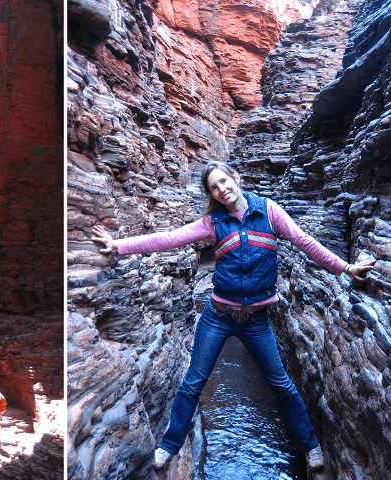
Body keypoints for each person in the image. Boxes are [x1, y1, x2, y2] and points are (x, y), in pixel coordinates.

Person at [91, 161, 375, 471]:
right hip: (218, 316)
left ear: (235, 178)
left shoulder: (268, 211)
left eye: (224, 181)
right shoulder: (214, 222)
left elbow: (304, 242)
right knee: (192, 384)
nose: (221, 189)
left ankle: (310, 446)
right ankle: (170, 446)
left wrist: (345, 268)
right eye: (214, 187)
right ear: (211, 193)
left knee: (281, 385)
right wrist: (117, 246)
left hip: (257, 321)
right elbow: (168, 239)